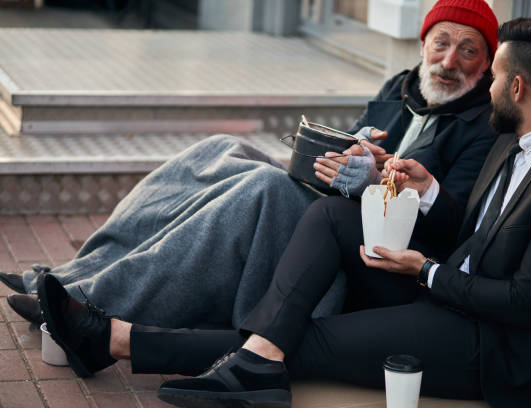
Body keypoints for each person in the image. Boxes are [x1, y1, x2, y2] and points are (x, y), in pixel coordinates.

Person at [35, 17, 531, 408]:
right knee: (327, 222)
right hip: (450, 292)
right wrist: (428, 189)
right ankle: (250, 358)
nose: (485, 91)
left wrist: (425, 272)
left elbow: (527, 304)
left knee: (308, 339)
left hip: (504, 352)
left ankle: (115, 338)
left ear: (516, 85)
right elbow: (471, 231)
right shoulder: (516, 135)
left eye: (491, 74)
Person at [3, 0, 499, 331]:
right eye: (441, 42)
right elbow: (354, 142)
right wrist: (347, 148)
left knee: (262, 186)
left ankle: (90, 304)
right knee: (216, 150)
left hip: (366, 252)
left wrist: (377, 182)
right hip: (332, 201)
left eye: (467, 49)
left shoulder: (482, 126)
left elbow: (455, 226)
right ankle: (70, 274)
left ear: (486, 65)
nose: (449, 60)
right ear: (422, 44)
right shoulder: (400, 85)